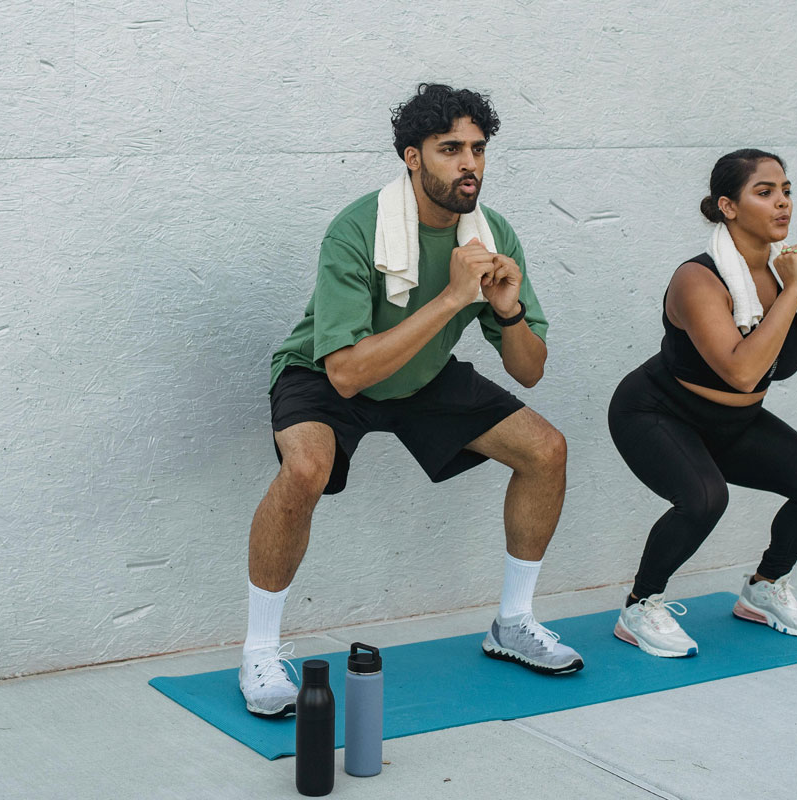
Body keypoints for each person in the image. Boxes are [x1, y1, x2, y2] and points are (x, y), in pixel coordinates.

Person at [240, 84, 583, 718]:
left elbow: (530, 371)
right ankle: (260, 650)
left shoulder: (492, 232)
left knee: (546, 450)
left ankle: (513, 622)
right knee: (305, 470)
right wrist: (454, 297)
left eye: (478, 149)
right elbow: (344, 374)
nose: (469, 164)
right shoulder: (357, 227)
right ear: (412, 157)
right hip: (325, 371)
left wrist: (507, 312)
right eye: (449, 149)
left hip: (420, 374)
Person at [607, 149, 797, 658]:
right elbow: (743, 371)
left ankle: (763, 588)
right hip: (656, 411)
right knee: (704, 498)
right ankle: (640, 606)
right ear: (728, 206)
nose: (782, 204)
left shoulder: (795, 276)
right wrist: (794, 291)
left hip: (733, 420)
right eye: (765, 192)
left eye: (787, 191)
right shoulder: (697, 280)